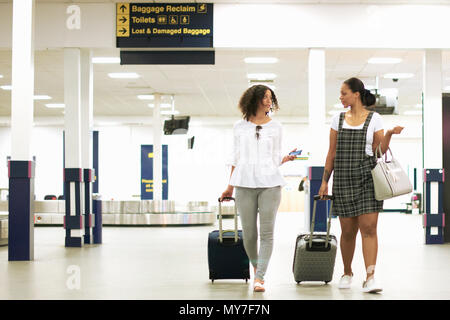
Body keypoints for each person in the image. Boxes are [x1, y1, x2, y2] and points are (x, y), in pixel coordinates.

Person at [318, 77, 404, 293]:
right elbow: (332, 153)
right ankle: (347, 272)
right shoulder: (337, 119)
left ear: (356, 94)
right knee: (348, 231)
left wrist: (390, 135)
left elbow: (378, 152)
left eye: (344, 93)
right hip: (344, 179)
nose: (341, 96)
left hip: (367, 178)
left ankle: (371, 276)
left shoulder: (374, 119)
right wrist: (324, 181)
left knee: (369, 228)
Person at [220, 85, 296, 293]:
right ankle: (256, 266)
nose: (268, 101)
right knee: (250, 234)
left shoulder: (276, 127)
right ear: (254, 100)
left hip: (270, 183)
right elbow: (236, 158)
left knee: (267, 233)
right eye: (265, 97)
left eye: (270, 98)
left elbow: (273, 159)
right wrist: (229, 187)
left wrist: (286, 159)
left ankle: (260, 276)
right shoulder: (239, 126)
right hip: (244, 183)